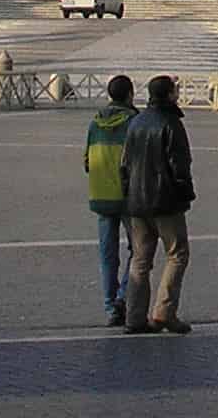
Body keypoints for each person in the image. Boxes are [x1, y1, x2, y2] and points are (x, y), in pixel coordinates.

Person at [119, 75, 194, 336]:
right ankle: (164, 311)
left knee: (140, 259)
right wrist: (186, 193)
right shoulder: (171, 123)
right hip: (165, 201)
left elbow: (124, 164)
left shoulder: (136, 120)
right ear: (169, 95)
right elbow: (180, 165)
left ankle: (134, 317)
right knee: (177, 253)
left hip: (137, 202)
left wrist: (127, 193)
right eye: (175, 90)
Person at [85, 75, 137, 328]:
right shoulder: (133, 121)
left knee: (107, 254)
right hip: (127, 196)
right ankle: (122, 298)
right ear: (130, 95)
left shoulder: (95, 122)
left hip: (101, 195)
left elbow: (86, 160)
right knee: (138, 250)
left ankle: (109, 306)